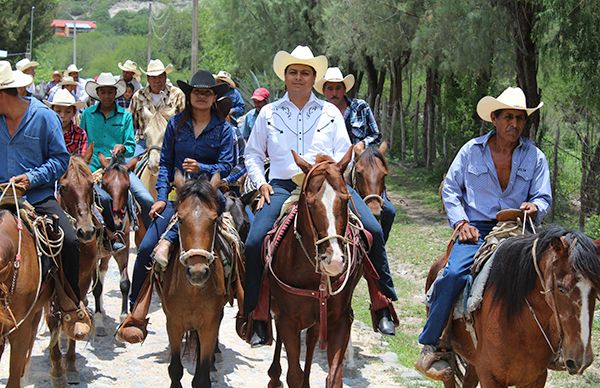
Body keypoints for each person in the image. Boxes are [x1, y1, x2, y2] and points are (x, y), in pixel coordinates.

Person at [244, 45, 398, 347]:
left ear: (313, 78)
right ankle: (257, 313)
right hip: (284, 185)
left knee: (373, 230)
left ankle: (382, 303)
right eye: (293, 72)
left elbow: (347, 153)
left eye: (305, 73)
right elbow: (251, 154)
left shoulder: (329, 112)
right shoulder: (269, 113)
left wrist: (337, 167)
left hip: (329, 183)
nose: (299, 77)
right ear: (285, 77)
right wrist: (260, 182)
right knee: (254, 241)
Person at [414, 86, 552, 378]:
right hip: (476, 228)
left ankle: (557, 346)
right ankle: (434, 344)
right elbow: (451, 189)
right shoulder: (471, 151)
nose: (514, 124)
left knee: (552, 278)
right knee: (452, 275)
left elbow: (544, 196)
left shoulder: (536, 157)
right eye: (508, 118)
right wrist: (461, 223)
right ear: (494, 118)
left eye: (519, 118)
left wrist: (534, 206)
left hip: (520, 227)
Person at [117, 69, 234, 343]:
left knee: (238, 242)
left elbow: (228, 165)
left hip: (209, 197)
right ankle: (137, 313)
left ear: (214, 97)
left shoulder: (223, 129)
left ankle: (245, 308)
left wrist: (202, 167)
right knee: (146, 247)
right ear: (190, 95)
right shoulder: (176, 125)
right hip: (178, 197)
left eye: (207, 93)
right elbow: (167, 163)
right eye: (198, 92)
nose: (202, 97)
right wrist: (160, 196)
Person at [0, 61, 81, 305]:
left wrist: (31, 178)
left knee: (69, 240)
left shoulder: (44, 117)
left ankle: (70, 303)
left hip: (35, 197)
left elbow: (60, 159)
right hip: (0, 195)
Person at [315, 67, 395, 242]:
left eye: (338, 88)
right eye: (330, 88)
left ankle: (378, 245)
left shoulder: (360, 107)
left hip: (362, 164)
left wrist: (361, 144)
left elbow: (376, 134)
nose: (334, 93)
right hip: (334, 166)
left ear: (345, 89)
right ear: (324, 91)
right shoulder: (320, 112)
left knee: (388, 211)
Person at [80, 72, 154, 251]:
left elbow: (130, 144)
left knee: (146, 198)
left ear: (115, 93)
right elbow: (83, 141)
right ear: (98, 94)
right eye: (103, 92)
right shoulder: (88, 115)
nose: (106, 96)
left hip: (118, 168)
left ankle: (150, 238)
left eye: (110, 92)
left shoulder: (125, 116)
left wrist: (122, 147)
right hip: (93, 167)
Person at [129, 59, 185, 158]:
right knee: (127, 166)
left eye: (160, 76)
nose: (157, 80)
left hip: (172, 141)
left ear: (165, 77)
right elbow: (131, 125)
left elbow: (185, 123)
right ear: (148, 79)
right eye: (153, 77)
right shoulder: (138, 96)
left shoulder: (177, 95)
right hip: (144, 142)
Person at [44, 88, 87, 155]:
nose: (62, 116)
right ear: (52, 111)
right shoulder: (44, 132)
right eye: (58, 111)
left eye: (68, 112)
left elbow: (81, 159)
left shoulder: (80, 134)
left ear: (74, 113)